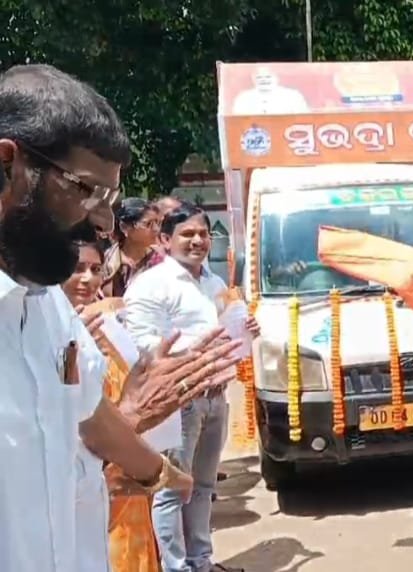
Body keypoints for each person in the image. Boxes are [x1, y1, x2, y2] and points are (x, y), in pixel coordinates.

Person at [0, 64, 238, 572]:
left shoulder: (48, 305)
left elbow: (90, 413)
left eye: (109, 198)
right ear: (7, 164)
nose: (105, 221)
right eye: (85, 190)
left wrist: (158, 469)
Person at [125, 202, 259, 572]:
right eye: (187, 234)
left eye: (203, 233)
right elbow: (140, 343)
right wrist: (193, 354)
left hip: (215, 395)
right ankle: (176, 567)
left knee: (203, 486)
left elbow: (225, 330)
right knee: (172, 488)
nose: (198, 240)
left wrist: (245, 331)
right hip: (178, 399)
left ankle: (201, 561)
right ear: (165, 240)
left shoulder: (214, 283)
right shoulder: (151, 285)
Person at [62, 239, 162, 572]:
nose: (88, 279)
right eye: (77, 269)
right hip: (86, 471)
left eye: (95, 269)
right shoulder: (47, 332)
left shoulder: (111, 323)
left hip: (127, 459)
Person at [103, 197, 164, 297]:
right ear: (125, 227)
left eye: (158, 223)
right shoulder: (107, 261)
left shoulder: (160, 261)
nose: (156, 229)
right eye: (148, 224)